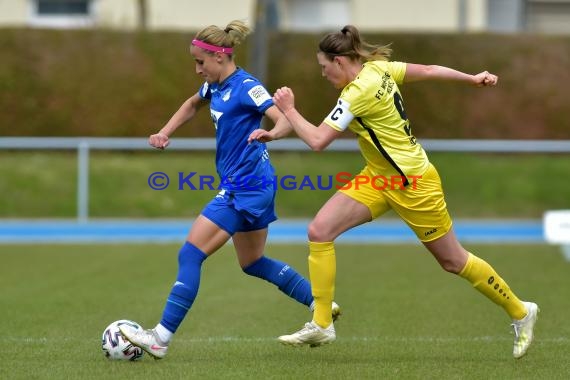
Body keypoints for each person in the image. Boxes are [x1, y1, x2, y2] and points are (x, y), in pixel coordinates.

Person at [248, 25, 538, 359]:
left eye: (324, 67)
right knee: (319, 230)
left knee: (452, 260)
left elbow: (317, 141)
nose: (323, 74)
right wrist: (471, 78)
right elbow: (428, 70)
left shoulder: (356, 93)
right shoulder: (380, 68)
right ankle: (322, 323)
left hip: (413, 184)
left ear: (340, 61)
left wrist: (289, 109)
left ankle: (520, 311)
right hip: (379, 178)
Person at [119, 20, 340, 359]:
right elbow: (192, 104)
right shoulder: (216, 86)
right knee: (252, 262)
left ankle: (160, 338)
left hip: (246, 186)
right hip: (254, 183)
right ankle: (320, 303)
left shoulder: (246, 86)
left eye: (200, 62)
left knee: (191, 254)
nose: (197, 69)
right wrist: (165, 131)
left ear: (220, 57)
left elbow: (281, 116)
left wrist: (273, 133)